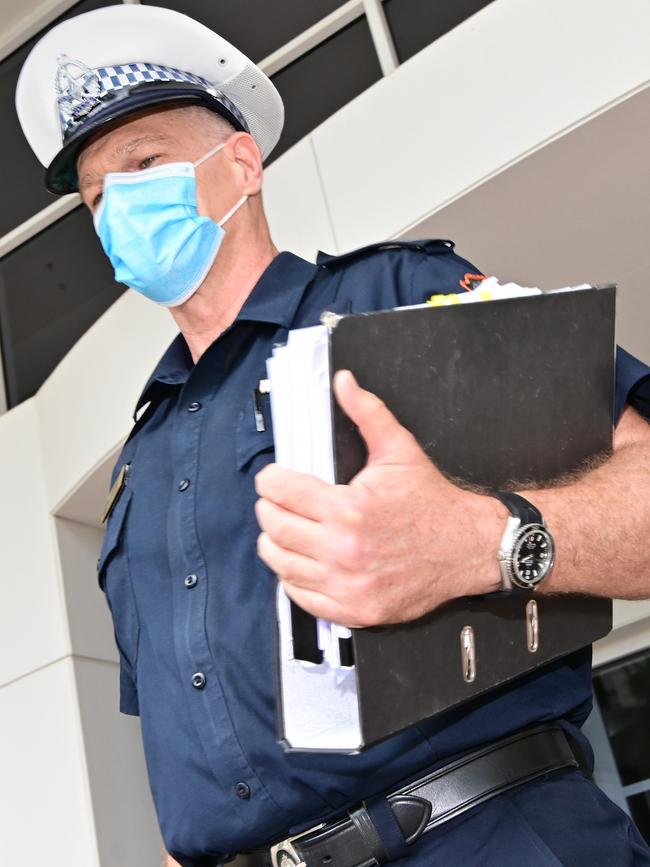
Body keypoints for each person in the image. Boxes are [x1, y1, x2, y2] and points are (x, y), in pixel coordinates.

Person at [16, 5, 650, 867]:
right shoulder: (144, 458)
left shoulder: (401, 295)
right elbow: (196, 746)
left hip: (485, 836)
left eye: (145, 164)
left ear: (241, 164)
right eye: (96, 198)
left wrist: (480, 540)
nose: (116, 208)